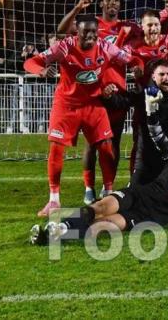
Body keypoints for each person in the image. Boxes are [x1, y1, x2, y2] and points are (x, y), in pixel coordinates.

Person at [24, 15, 134, 216]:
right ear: (77, 31)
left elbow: (131, 59)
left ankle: (108, 192)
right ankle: (54, 200)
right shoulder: (64, 47)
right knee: (56, 148)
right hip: (67, 105)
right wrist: (40, 70)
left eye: (94, 32)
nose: (90, 36)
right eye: (86, 32)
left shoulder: (106, 48)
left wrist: (138, 66)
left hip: (93, 103)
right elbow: (31, 62)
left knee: (107, 147)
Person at [30, 137, 168, 244]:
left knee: (102, 225)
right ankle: (60, 225)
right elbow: (159, 136)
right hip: (139, 195)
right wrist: (151, 109)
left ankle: (56, 234)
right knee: (101, 207)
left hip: (150, 216)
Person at [56, 0, 137, 202]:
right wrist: (77, 9)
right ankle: (89, 188)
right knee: (92, 143)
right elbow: (62, 31)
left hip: (117, 91)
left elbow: (152, 32)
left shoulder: (127, 27)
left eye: (117, 0)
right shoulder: (90, 24)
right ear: (101, 3)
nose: (113, 3)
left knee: (114, 142)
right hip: (93, 92)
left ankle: (107, 187)